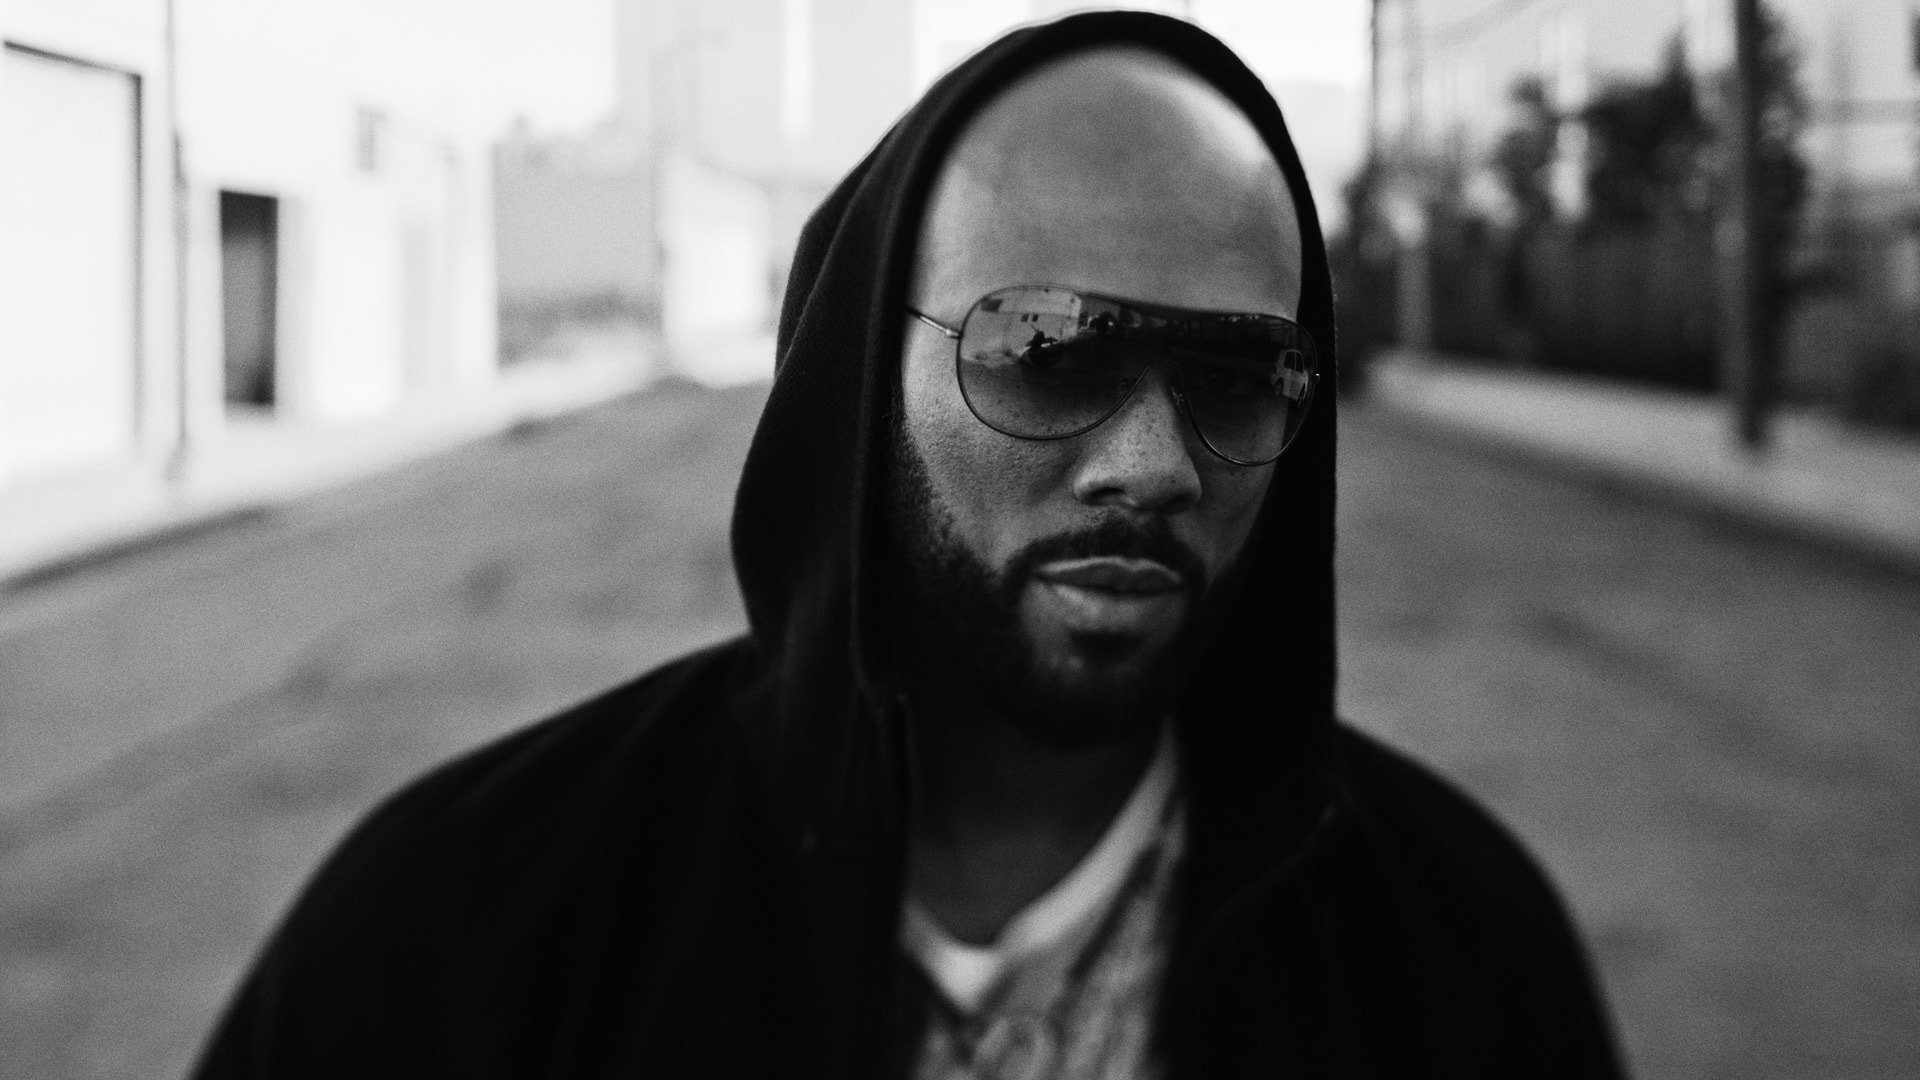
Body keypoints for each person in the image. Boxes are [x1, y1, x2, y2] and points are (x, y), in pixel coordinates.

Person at [193, 12, 1625, 1078]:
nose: (1153, 466)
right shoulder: (463, 935)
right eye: (1047, 350)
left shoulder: (1457, 959)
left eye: (1242, 376)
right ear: (862, 378)